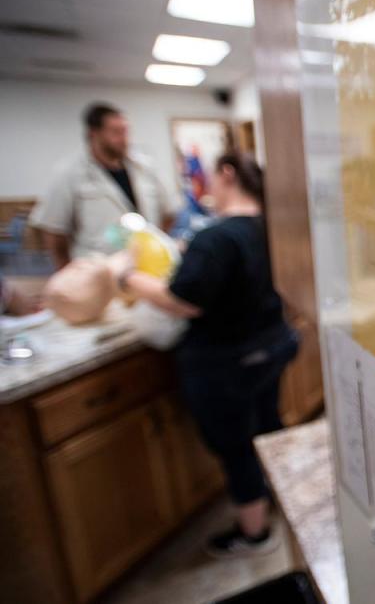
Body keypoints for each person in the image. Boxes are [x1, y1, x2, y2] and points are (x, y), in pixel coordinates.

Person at [110, 152, 299, 557]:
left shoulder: (216, 238)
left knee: (236, 447)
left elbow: (183, 301)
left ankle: (255, 534)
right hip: (272, 345)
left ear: (227, 174)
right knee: (268, 427)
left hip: (227, 361)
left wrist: (127, 277)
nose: (207, 184)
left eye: (212, 175)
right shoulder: (270, 226)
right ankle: (284, 503)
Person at [30, 102, 180, 269]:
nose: (124, 139)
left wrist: (154, 242)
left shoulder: (145, 167)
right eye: (116, 132)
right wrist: (67, 272)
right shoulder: (69, 173)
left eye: (125, 131)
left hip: (147, 267)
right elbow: (54, 231)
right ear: (94, 134)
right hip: (98, 270)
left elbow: (169, 213)